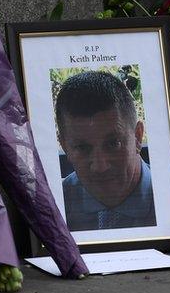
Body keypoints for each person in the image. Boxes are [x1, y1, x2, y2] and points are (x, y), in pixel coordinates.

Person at [55, 70, 156, 231]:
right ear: (64, 146)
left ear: (137, 137)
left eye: (113, 143)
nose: (100, 166)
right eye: (82, 148)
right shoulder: (50, 207)